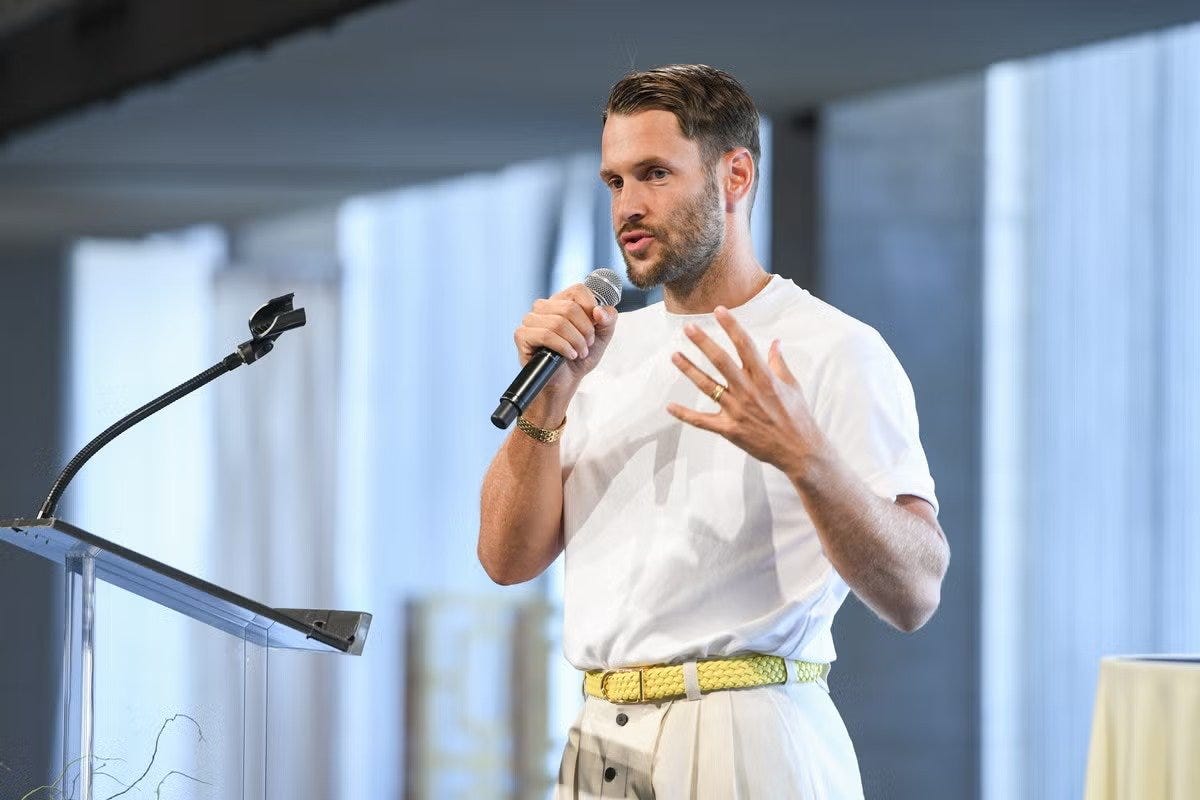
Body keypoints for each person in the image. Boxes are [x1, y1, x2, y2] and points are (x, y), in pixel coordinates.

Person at [477, 64, 949, 799]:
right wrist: (547, 406)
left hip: (745, 734)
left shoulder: (832, 347)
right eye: (614, 182)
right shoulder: (596, 355)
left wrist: (807, 458)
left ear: (734, 175)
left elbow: (916, 591)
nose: (627, 207)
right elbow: (506, 562)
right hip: (600, 731)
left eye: (654, 174)